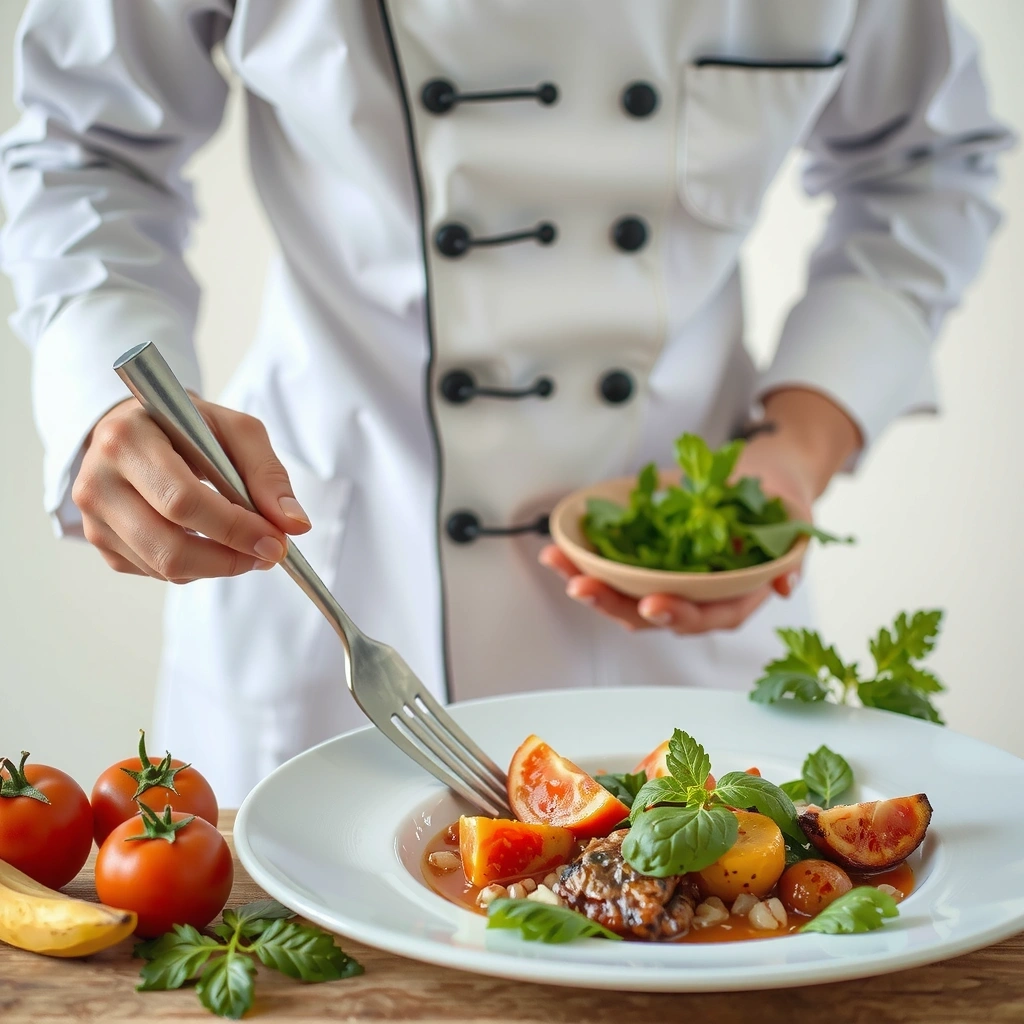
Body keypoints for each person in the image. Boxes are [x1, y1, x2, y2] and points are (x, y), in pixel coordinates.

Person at [1, 1, 1011, 805]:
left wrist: (797, 445)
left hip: (677, 618)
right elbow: (84, 144)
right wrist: (107, 395)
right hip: (339, 585)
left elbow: (928, 161)